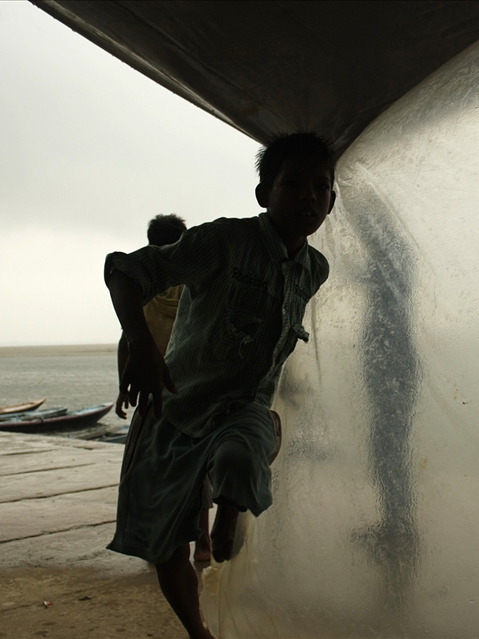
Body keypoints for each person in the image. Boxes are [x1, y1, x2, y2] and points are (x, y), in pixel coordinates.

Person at [104, 132, 336, 639]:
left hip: (243, 409)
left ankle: (228, 512)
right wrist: (139, 346)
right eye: (291, 184)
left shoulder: (314, 269)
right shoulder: (222, 242)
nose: (307, 197)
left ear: (332, 202)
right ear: (262, 194)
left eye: (320, 187)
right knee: (163, 547)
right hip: (174, 408)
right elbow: (123, 270)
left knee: (239, 454)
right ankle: (198, 632)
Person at [115, 213, 219, 562]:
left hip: (151, 393)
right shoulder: (196, 283)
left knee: (147, 471)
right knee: (195, 473)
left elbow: (127, 342)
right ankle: (203, 544)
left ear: (149, 244)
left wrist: (122, 387)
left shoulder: (143, 287)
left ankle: (154, 541)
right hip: (192, 393)